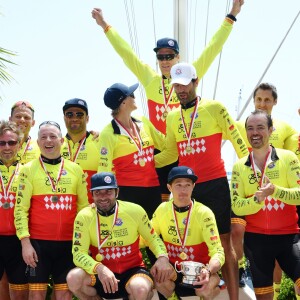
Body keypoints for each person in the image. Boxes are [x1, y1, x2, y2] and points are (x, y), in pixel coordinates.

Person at [91, 0, 244, 202]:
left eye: (169, 56)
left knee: (187, 202)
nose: (165, 61)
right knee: (162, 206)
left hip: (183, 147)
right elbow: (126, 54)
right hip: (158, 151)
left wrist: (232, 15)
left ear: (178, 57)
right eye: (160, 57)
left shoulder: (191, 74)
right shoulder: (150, 79)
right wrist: (105, 26)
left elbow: (213, 47)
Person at [155, 62, 249, 300]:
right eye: (176, 85)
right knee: (192, 238)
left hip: (215, 184)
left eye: (185, 84)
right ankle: (201, 286)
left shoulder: (214, 108)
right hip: (188, 188)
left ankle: (234, 297)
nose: (181, 90)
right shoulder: (173, 116)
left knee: (225, 242)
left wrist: (251, 175)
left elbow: (239, 143)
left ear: (195, 82)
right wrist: (142, 160)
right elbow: (170, 154)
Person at [232, 83, 299, 289]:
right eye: (250, 129)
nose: (255, 132)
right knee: (234, 227)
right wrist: (257, 199)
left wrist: (275, 190)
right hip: (256, 237)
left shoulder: (287, 153)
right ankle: (240, 268)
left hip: (287, 234)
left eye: (261, 128)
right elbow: (237, 205)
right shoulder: (239, 164)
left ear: (271, 130)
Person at [66, 172, 173, 300]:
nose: (103, 197)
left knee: (140, 289)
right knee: (73, 279)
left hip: (132, 271)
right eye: (98, 192)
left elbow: (153, 238)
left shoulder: (134, 211)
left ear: (117, 192)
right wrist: (99, 268)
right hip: (100, 273)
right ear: (92, 194)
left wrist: (162, 257)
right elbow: (78, 253)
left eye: (108, 191)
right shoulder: (84, 216)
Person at [14, 121, 89, 300]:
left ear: (62, 140)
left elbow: (84, 210)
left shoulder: (76, 170)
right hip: (38, 245)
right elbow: (20, 209)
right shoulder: (27, 170)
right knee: (37, 294)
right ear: (38, 143)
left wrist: (84, 244)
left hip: (68, 244)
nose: (48, 140)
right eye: (43, 137)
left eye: (53, 136)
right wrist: (25, 243)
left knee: (64, 294)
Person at [150, 166, 225, 300]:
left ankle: (214, 290)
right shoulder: (162, 210)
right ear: (169, 187)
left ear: (193, 186)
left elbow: (218, 251)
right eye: (178, 185)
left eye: (187, 185)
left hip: (201, 271)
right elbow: (147, 238)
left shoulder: (204, 212)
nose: (183, 190)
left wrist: (208, 270)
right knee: (159, 278)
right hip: (174, 271)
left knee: (206, 291)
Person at [98, 82, 165, 219]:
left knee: (156, 234)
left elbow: (165, 144)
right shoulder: (107, 133)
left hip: (153, 188)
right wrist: (103, 198)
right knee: (132, 236)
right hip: (127, 191)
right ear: (123, 103)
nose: (134, 97)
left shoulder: (143, 122)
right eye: (131, 95)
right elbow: (104, 169)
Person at [0, 120, 28, 300]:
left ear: (19, 144)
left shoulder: (28, 171)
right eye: (2, 143)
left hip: (20, 241)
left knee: (19, 292)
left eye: (11, 142)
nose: (7, 147)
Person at [61, 98, 101, 203]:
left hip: (92, 209)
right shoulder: (56, 145)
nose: (74, 118)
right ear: (64, 118)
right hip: (65, 209)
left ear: (87, 118)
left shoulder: (99, 142)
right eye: (69, 114)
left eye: (79, 114)